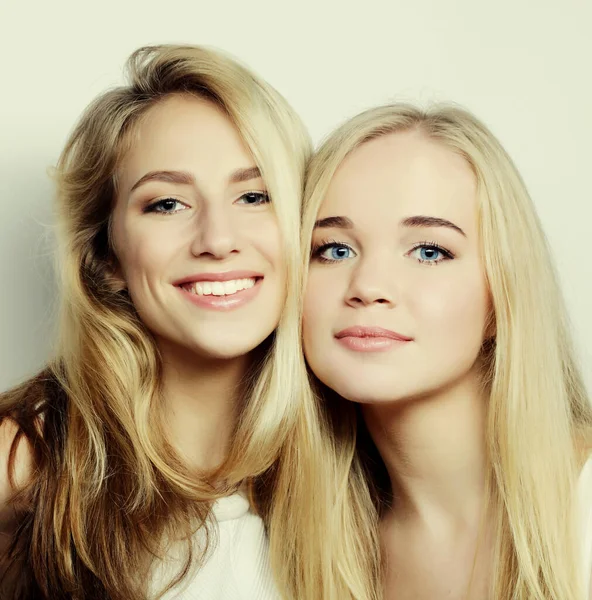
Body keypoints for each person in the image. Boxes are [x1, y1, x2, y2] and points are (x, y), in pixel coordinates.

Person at [0, 43, 326, 600]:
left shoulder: (359, 462)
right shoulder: (20, 461)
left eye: (255, 195)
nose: (218, 241)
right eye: (167, 204)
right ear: (106, 256)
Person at [301, 103, 592, 599]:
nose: (368, 286)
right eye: (335, 249)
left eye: (429, 251)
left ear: (502, 293)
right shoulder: (302, 547)